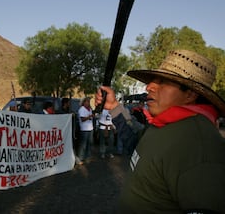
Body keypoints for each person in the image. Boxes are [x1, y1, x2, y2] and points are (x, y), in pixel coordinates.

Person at [95, 49, 225, 213]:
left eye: (163, 81)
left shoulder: (199, 147)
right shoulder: (168, 124)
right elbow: (136, 140)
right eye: (151, 81)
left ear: (190, 94)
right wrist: (113, 107)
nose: (149, 87)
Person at [76, 97, 94, 164]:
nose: (88, 103)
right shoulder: (82, 109)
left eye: (89, 102)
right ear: (84, 102)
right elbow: (82, 119)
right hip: (84, 129)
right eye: (87, 102)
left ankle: (88, 157)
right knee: (83, 144)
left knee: (90, 143)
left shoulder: (90, 109)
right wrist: (89, 117)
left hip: (90, 128)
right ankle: (80, 157)